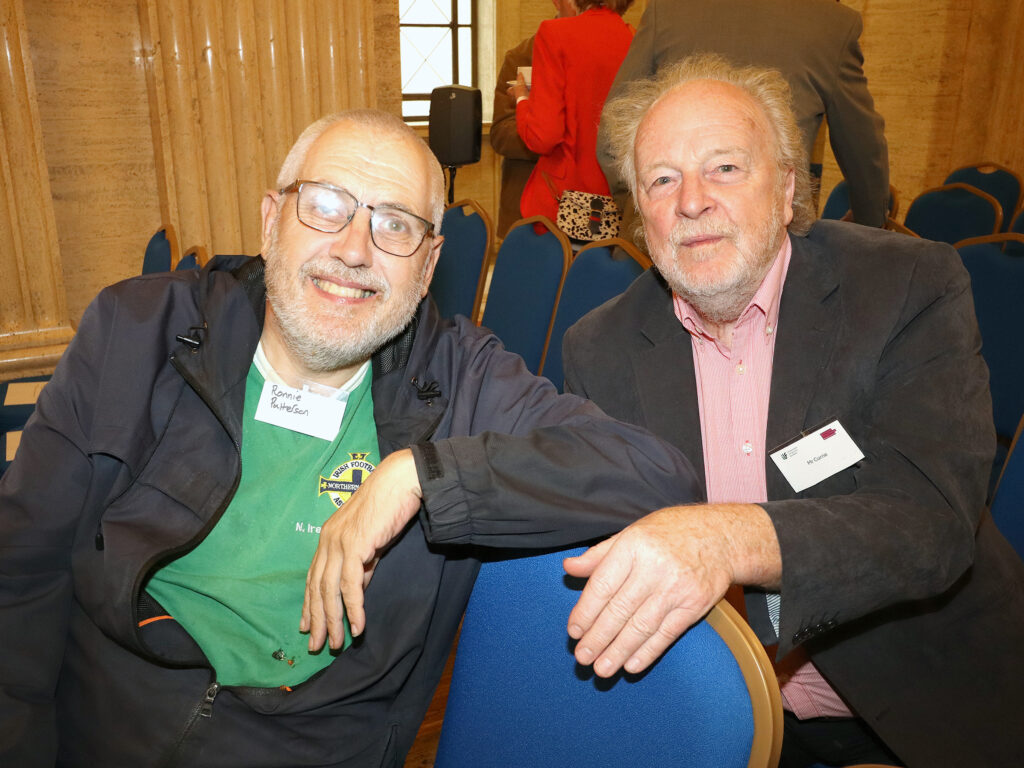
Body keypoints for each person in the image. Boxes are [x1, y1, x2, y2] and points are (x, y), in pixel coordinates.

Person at [0, 109, 702, 767]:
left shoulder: (463, 378)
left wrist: (420, 478)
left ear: (428, 268)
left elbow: (656, 471)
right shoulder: (139, 327)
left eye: (395, 225)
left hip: (310, 743)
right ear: (272, 221)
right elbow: (21, 570)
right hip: (105, 717)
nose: (354, 250)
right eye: (328, 205)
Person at [561, 54, 1024, 768]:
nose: (691, 201)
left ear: (785, 191)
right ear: (639, 215)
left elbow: (929, 517)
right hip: (721, 709)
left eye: (724, 168)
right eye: (661, 179)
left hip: (919, 706)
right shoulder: (601, 346)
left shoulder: (906, 286)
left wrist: (728, 539)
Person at [597, 0, 890, 241]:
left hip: (663, 250)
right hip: (770, 248)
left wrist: (649, 211)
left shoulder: (668, 9)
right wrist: (867, 225)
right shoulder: (833, 24)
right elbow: (865, 154)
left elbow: (612, 140)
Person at [510, 0, 633, 224]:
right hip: (617, 199)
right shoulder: (634, 39)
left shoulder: (555, 33)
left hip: (565, 203)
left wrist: (522, 99)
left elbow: (543, 136)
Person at [491, 35, 538, 238]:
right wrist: (547, 137)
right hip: (526, 207)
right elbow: (501, 133)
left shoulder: (613, 44)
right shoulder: (522, 55)